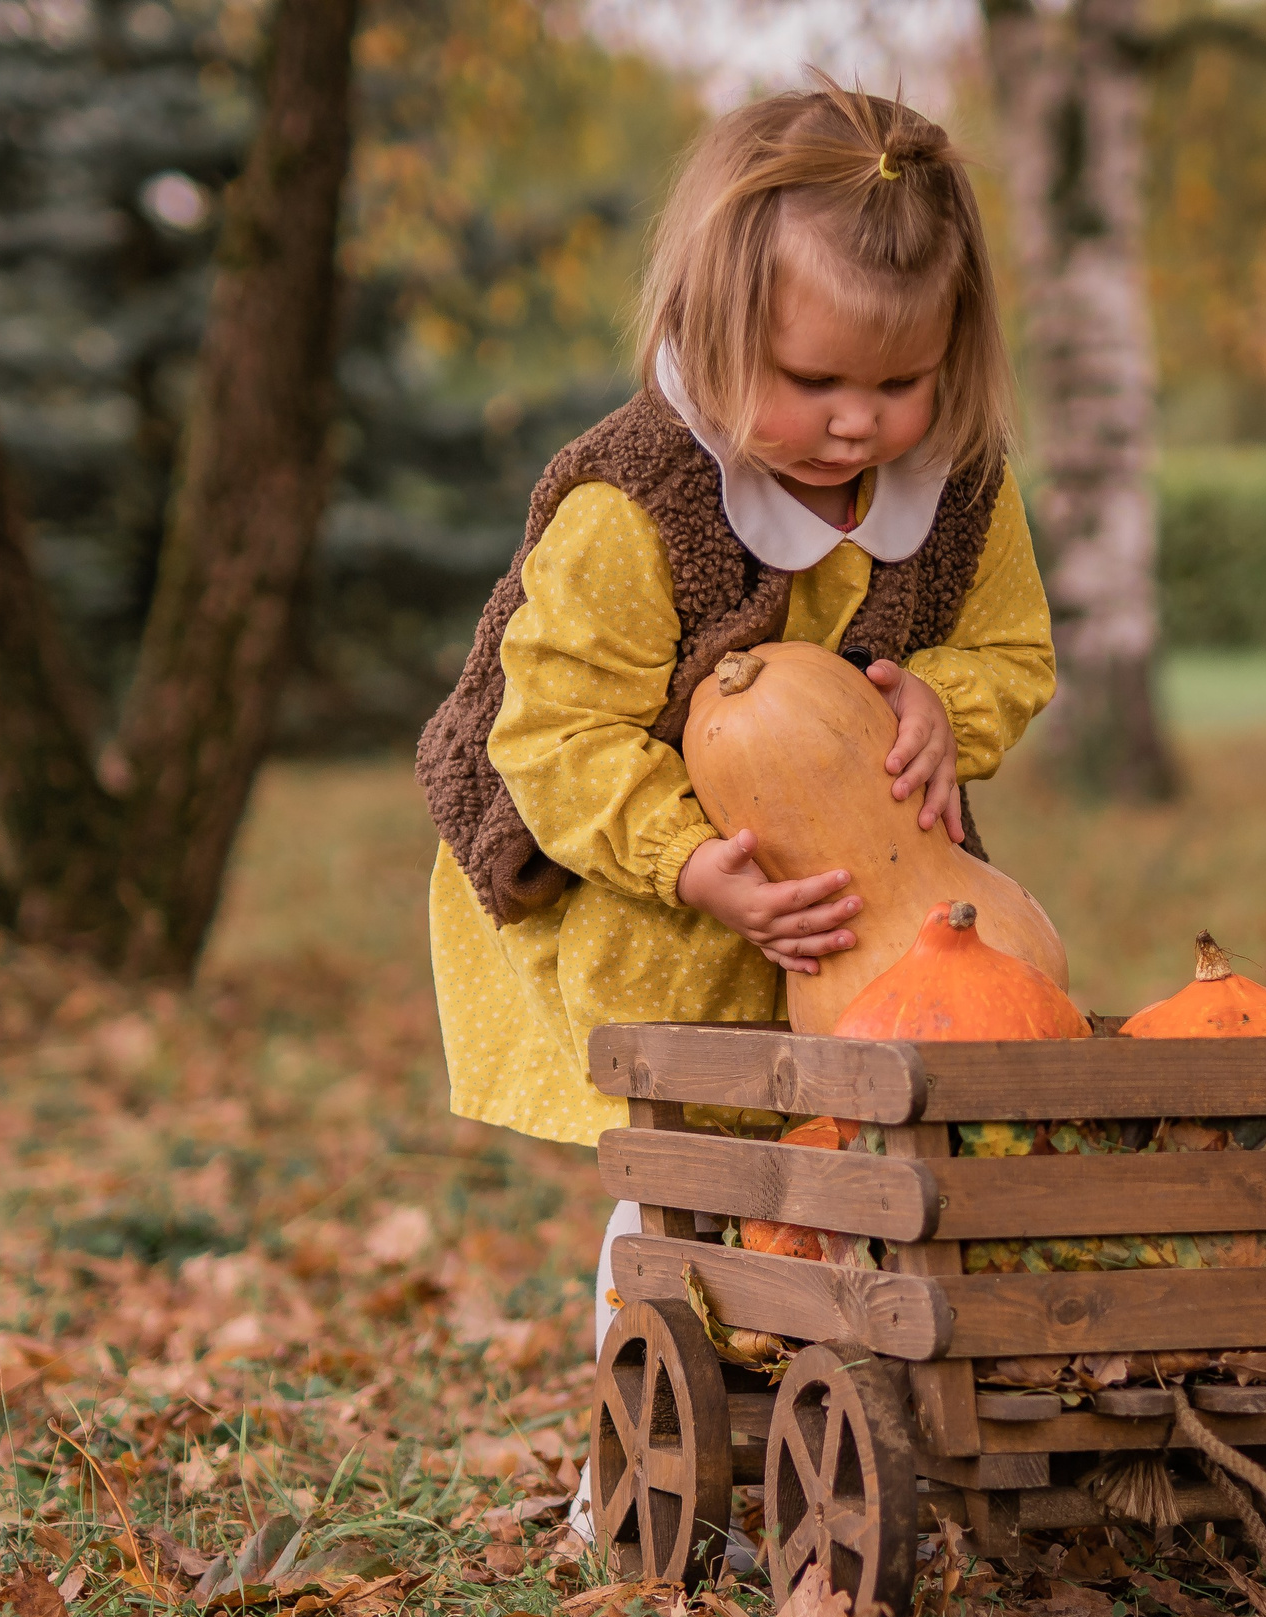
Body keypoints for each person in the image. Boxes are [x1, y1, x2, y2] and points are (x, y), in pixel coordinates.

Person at [416, 79, 1057, 1543]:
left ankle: (857, 1431)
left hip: (861, 885)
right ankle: (630, 1478)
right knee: (692, 1169)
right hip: (640, 871)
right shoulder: (635, 506)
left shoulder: (956, 483)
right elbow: (556, 734)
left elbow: (1014, 646)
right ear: (715, 334)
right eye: (812, 380)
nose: (855, 423)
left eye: (898, 387)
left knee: (873, 1153)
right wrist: (693, 861)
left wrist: (942, 702)